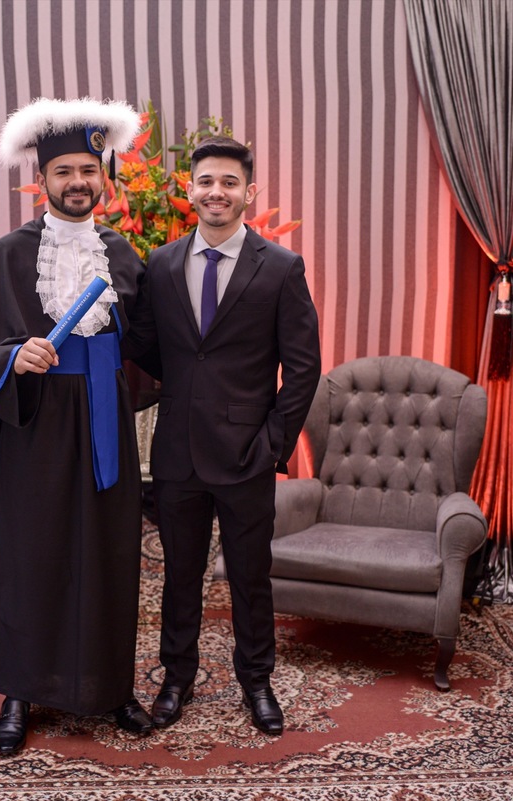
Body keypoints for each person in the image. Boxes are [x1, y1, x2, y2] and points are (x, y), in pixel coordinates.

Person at [0, 97, 154, 757]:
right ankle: (19, 693)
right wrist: (13, 356)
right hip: (39, 423)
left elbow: (151, 344)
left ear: (102, 177)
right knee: (31, 555)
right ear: (43, 179)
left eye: (88, 169)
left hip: (106, 420)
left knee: (111, 554)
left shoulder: (123, 254)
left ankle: (113, 687)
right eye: (64, 171)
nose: (77, 182)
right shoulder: (9, 254)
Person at [125, 136, 322, 736]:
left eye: (229, 182)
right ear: (190, 190)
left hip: (247, 454)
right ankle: (176, 679)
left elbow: (303, 367)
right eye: (206, 181)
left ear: (248, 192)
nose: (217, 192)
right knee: (179, 577)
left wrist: (273, 444)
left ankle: (257, 682)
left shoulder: (281, 268)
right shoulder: (161, 264)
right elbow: (148, 348)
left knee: (249, 578)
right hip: (177, 451)